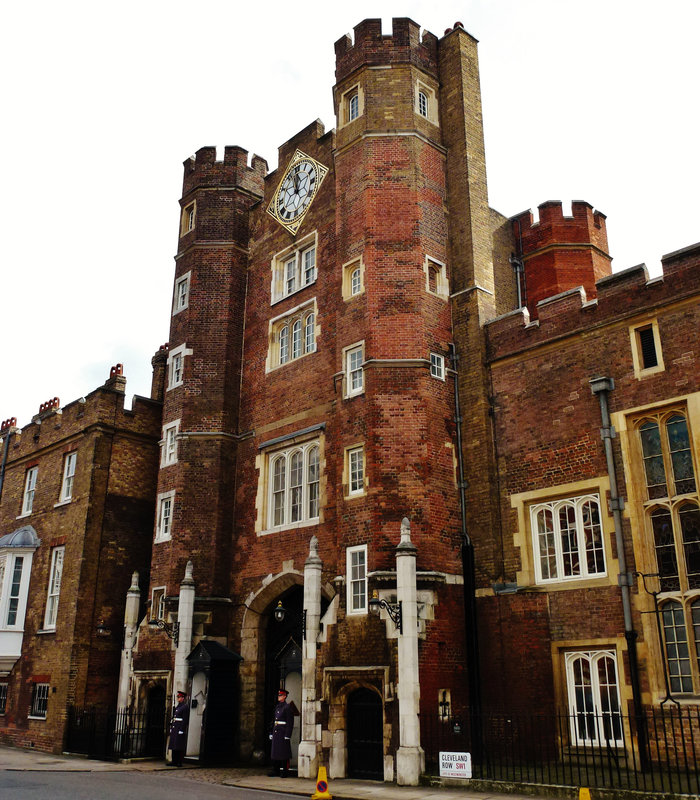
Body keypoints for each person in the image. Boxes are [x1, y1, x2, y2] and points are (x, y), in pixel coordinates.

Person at [268, 687, 294, 777]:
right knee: (275, 753)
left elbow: (290, 722)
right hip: (276, 732)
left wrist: (288, 734)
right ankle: (276, 770)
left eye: (280, 695)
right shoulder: (278, 707)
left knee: (283, 753)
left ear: (284, 696)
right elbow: (273, 720)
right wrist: (271, 732)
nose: (279, 697)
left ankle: (284, 770)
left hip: (283, 732)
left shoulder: (287, 707)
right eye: (279, 695)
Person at [168, 690, 190, 767]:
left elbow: (185, 719)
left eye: (179, 697)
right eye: (178, 697)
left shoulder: (185, 707)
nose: (178, 698)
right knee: (174, 745)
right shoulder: (178, 706)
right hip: (175, 727)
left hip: (179, 728)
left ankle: (179, 762)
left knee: (179, 746)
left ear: (183, 698)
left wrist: (182, 729)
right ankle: (174, 761)